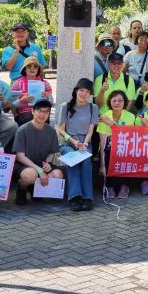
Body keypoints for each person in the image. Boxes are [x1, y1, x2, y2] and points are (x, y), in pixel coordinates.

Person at [57, 78, 99, 212]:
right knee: (72, 159)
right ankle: (74, 197)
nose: (84, 94)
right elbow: (61, 130)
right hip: (68, 142)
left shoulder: (93, 108)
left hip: (85, 142)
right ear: (75, 91)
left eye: (87, 92)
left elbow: (91, 130)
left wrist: (85, 143)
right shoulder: (65, 106)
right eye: (81, 90)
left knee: (86, 161)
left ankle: (87, 197)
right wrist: (74, 142)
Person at [13, 99, 64, 205]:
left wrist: (48, 164)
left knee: (58, 175)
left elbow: (51, 152)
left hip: (41, 164)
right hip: (24, 166)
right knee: (31, 175)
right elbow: (20, 156)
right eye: (40, 111)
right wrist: (39, 171)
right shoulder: (22, 130)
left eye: (46, 112)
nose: (43, 114)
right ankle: (21, 190)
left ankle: (35, 190)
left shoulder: (51, 131)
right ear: (33, 111)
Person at [97, 90, 139, 199]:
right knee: (109, 152)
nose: (117, 103)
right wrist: (102, 165)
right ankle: (109, 186)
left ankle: (124, 186)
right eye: (114, 100)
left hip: (126, 146)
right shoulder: (104, 116)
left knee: (127, 153)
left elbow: (127, 136)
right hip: (109, 148)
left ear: (124, 102)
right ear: (109, 102)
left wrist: (111, 124)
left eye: (120, 100)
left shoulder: (130, 117)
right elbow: (102, 143)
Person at [10, 56, 53, 126]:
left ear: (38, 69)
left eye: (35, 66)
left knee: (42, 118)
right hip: (24, 113)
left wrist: (47, 97)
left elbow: (51, 103)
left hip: (41, 112)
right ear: (25, 69)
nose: (32, 68)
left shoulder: (45, 83)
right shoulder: (17, 83)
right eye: (29, 66)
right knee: (28, 118)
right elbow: (12, 104)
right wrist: (21, 101)